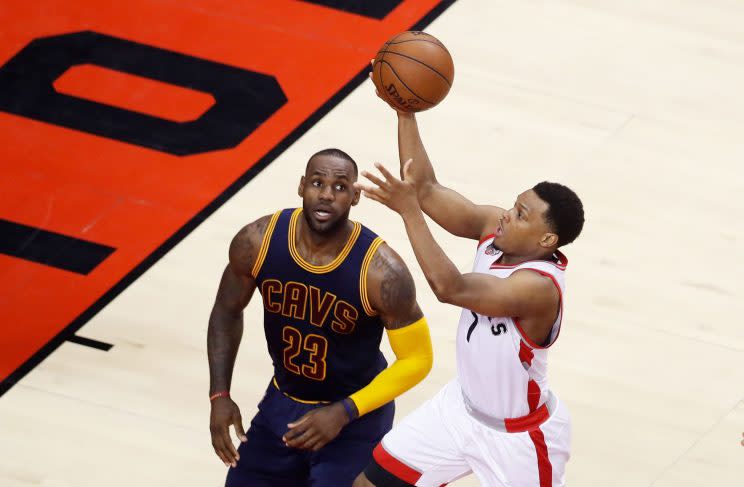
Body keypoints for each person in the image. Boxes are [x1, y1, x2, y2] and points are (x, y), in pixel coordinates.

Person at [352, 107, 585, 487]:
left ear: (546, 241)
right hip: (458, 411)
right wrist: (406, 111)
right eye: (514, 205)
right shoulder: (496, 230)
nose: (508, 215)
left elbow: (451, 288)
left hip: (519, 439)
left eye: (521, 215)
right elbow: (425, 188)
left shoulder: (538, 288)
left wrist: (410, 213)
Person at [207, 148, 434, 486]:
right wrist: (219, 395)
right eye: (317, 183)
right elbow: (226, 310)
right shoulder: (258, 241)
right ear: (301, 186)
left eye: (340, 187)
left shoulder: (382, 273)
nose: (327, 195)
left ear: (356, 196)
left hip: (355, 416)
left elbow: (418, 359)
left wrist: (344, 411)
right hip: (284, 403)